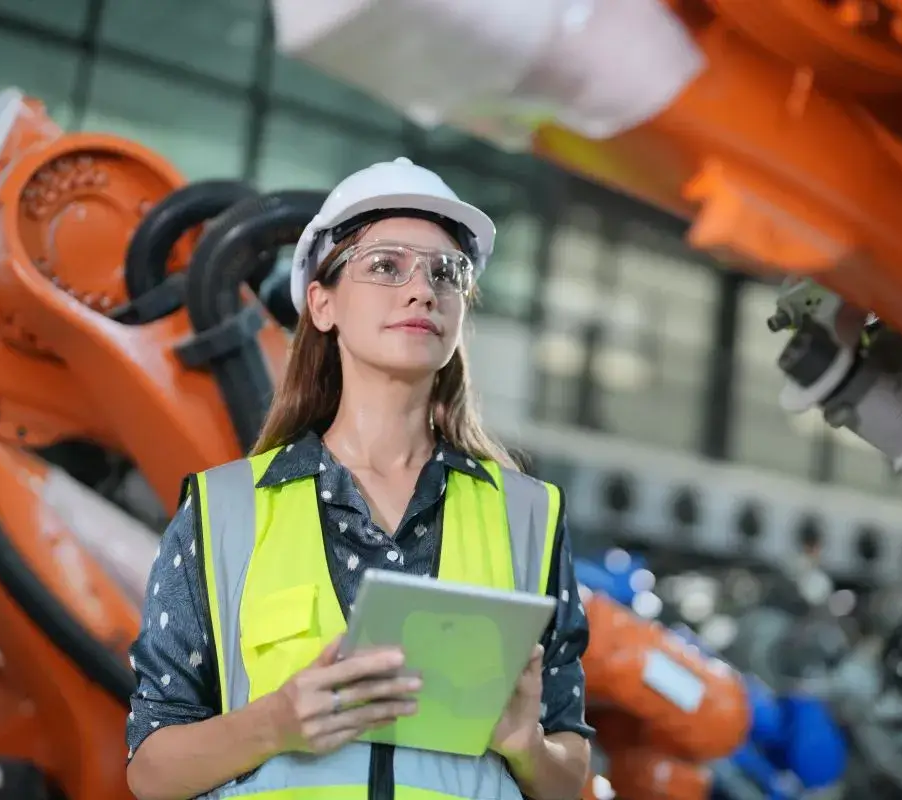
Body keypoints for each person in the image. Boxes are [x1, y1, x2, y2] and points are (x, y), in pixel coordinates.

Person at [125, 157, 594, 800]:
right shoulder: (224, 509)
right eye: (385, 266)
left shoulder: (528, 516)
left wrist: (527, 747)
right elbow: (150, 771)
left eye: (445, 273)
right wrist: (274, 724)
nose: (422, 290)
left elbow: (570, 781)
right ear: (322, 303)